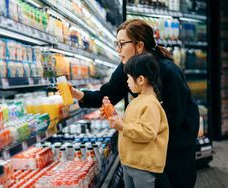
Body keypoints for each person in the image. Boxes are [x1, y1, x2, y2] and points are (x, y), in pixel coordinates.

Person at [70, 19, 199, 188]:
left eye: (122, 44)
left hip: (177, 140)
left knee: (174, 180)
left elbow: (174, 118)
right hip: (150, 138)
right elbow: (106, 94)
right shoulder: (128, 68)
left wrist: (131, 127)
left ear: (139, 46)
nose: (118, 50)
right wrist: (77, 94)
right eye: (117, 44)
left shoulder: (168, 71)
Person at [107, 53, 169, 188]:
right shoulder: (137, 101)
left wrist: (123, 127)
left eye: (129, 77)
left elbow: (148, 132)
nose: (127, 81)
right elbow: (131, 123)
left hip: (143, 166)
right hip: (130, 161)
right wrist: (114, 116)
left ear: (140, 79)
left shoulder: (151, 104)